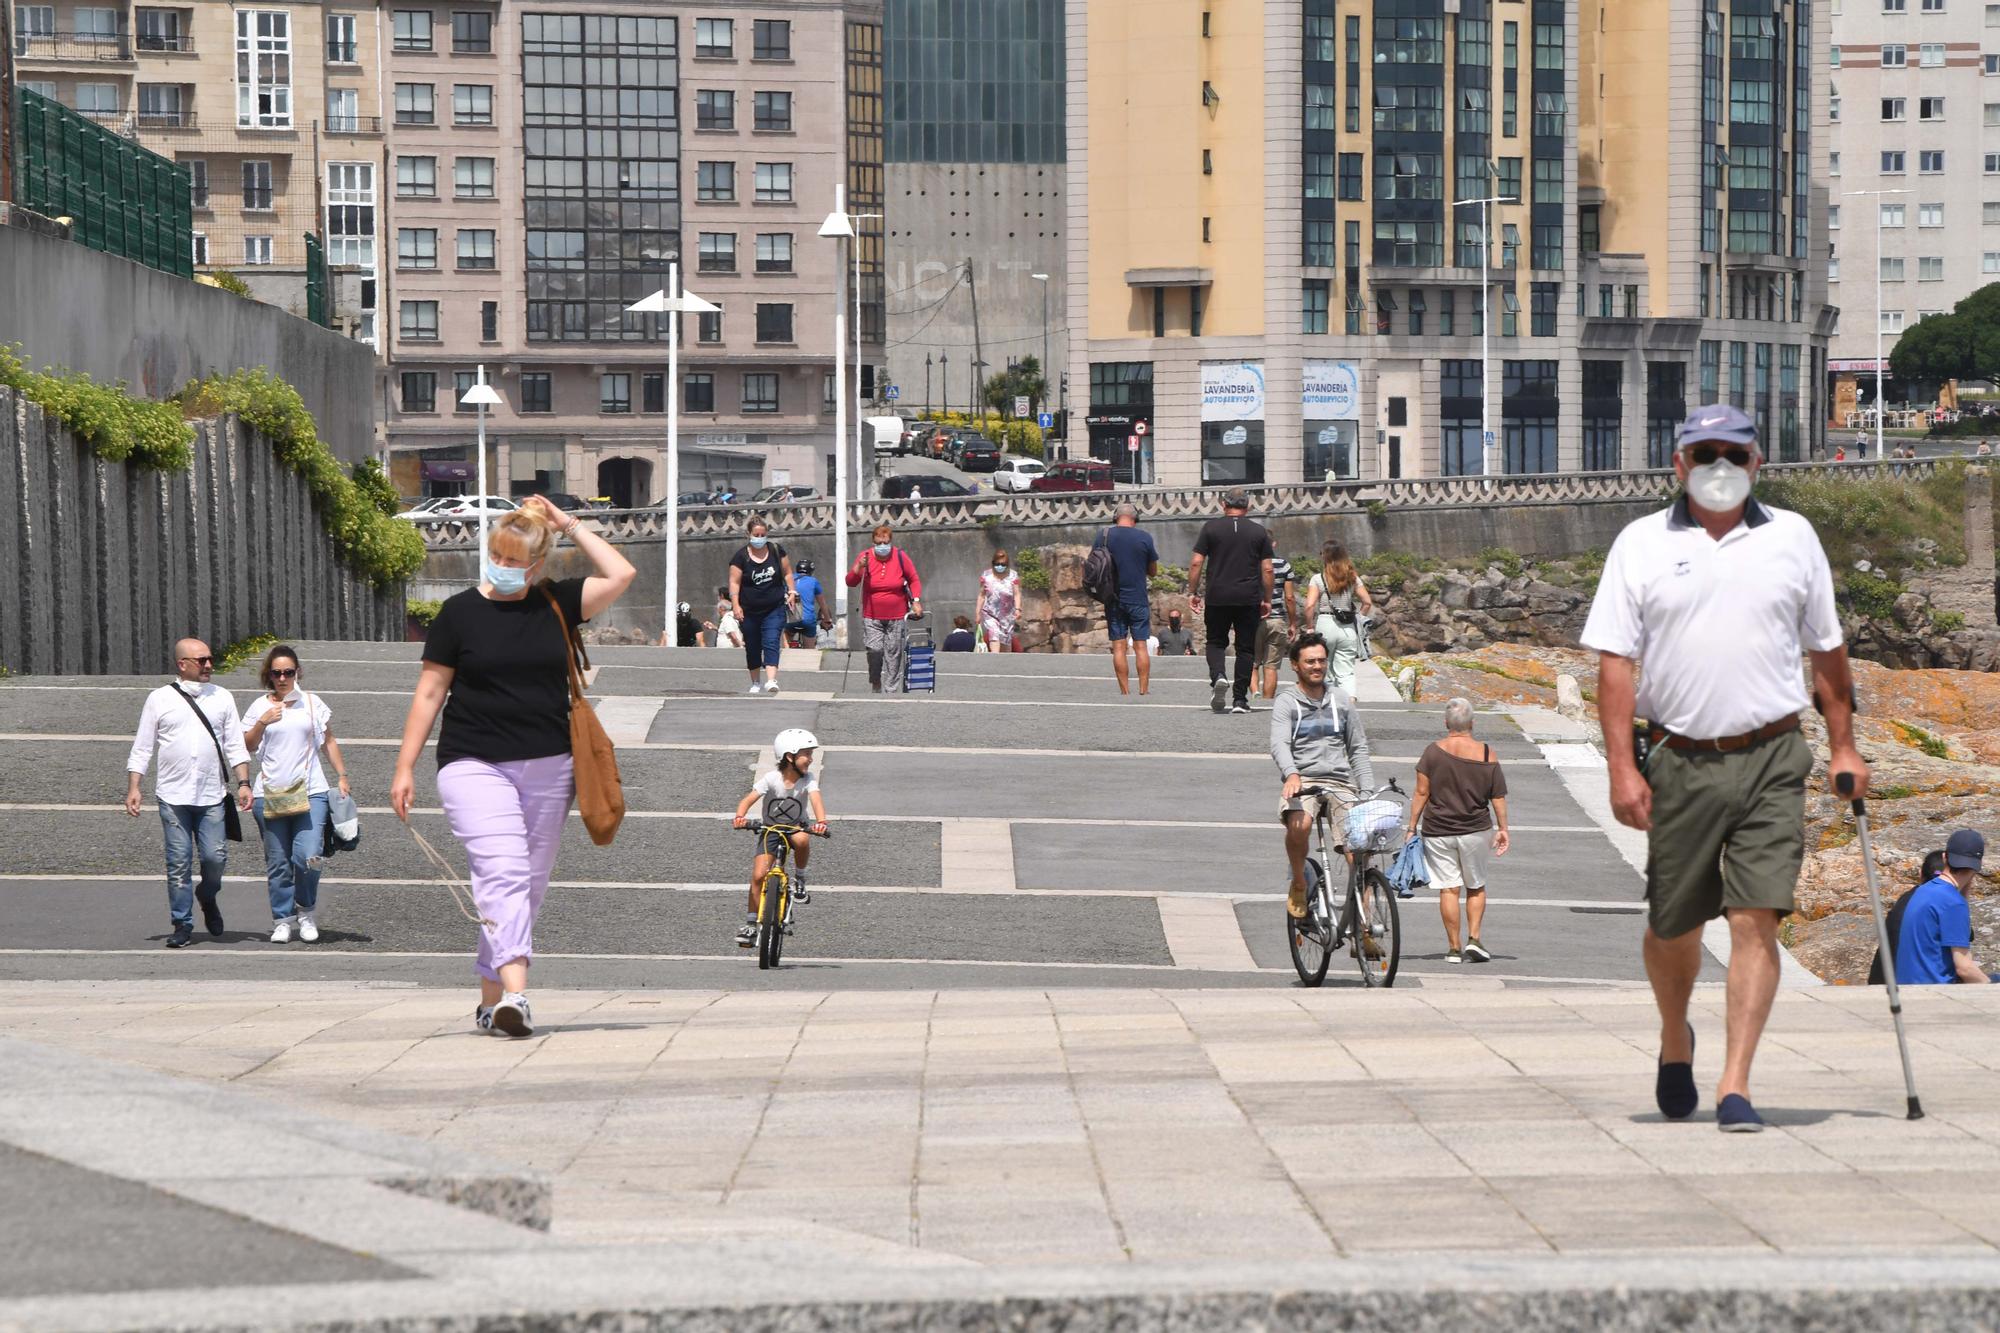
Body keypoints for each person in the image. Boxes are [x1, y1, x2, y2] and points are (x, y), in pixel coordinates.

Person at [1584, 403, 1867, 1134]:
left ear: (1756, 463)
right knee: (1672, 923)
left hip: (1773, 754)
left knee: (1755, 917)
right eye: (1703, 452)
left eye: (1733, 454)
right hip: (1678, 758)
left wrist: (1842, 744)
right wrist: (1623, 768)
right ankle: (1675, 1034)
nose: (1719, 466)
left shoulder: (1795, 538)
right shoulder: (1639, 543)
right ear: (1678, 464)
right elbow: (1616, 663)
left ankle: (1735, 1081)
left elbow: (1827, 651)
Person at [390, 496, 637, 1038]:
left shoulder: (558, 603)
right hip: (472, 763)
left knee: (523, 887)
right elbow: (431, 693)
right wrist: (404, 766)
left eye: (514, 559)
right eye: (496, 554)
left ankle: (489, 997)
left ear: (537, 564)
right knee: (502, 874)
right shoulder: (458, 613)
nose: (502, 565)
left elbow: (622, 571)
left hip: (551, 765)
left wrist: (567, 522)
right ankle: (519, 998)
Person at [125, 638, 253, 948]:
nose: (209, 665)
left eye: (210, 659)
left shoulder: (222, 698)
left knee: (214, 858)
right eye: (202, 660)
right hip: (173, 796)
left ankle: (207, 896)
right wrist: (134, 787)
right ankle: (182, 923)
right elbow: (143, 746)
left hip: (211, 795)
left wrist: (244, 783)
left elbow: (235, 743)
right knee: (178, 862)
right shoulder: (159, 699)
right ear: (183, 664)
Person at [241, 645, 350, 944]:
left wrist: (341, 776)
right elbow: (247, 746)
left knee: (309, 855)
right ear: (269, 675)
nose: (283, 678)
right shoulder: (258, 707)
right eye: (276, 673)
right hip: (269, 792)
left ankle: (306, 911)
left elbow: (328, 741)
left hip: (310, 790)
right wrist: (263, 721)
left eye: (288, 672)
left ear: (297, 672)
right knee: (278, 861)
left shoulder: (312, 704)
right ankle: (283, 919)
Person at [1270, 633, 1375, 920]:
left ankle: (1363, 923)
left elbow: (1358, 747)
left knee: (1361, 849)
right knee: (1300, 824)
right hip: (1302, 780)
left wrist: (1367, 789)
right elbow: (1279, 743)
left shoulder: (1340, 699)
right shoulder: (1287, 702)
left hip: (1340, 782)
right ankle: (1300, 882)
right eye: (1310, 661)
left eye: (1321, 660)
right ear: (1295, 665)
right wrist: (1291, 774)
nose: (1317, 666)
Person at [1405, 697, 1510, 965]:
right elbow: (1497, 796)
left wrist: (1411, 827)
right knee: (1475, 886)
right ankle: (1474, 939)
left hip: (1438, 830)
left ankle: (1453, 948)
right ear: (1472, 723)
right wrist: (1503, 828)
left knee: (1449, 889)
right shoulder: (1487, 753)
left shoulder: (1432, 752)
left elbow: (1421, 792)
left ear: (1445, 723)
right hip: (1475, 830)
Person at [731, 727, 829, 947]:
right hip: (771, 830)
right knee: (758, 875)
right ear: (790, 757)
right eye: (807, 754)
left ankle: (800, 879)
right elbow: (749, 799)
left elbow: (816, 800)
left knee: (803, 839)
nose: (811, 759)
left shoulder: (808, 780)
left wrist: (821, 822)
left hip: (796, 827)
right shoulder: (771, 779)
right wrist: (740, 817)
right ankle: (750, 924)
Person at [1188, 490, 1275, 715]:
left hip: (1218, 595)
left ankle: (1218, 676)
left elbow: (1197, 563)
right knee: (1245, 648)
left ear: (1223, 503)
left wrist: (1193, 592)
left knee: (1216, 642)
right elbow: (1267, 568)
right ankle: (1239, 700)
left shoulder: (1210, 528)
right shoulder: (1259, 532)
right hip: (1248, 597)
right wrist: (1267, 599)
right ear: (1247, 506)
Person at [1894, 831, 1992, 985]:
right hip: (1935, 994)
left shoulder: (1923, 890)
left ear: (1945, 857)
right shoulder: (1953, 903)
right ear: (1977, 866)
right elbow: (1964, 968)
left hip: (1906, 987)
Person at [847, 523, 924, 691]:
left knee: (893, 653)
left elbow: (914, 579)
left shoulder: (900, 557)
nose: (882, 547)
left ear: (891, 542)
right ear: (873, 542)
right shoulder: (866, 556)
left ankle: (891, 689)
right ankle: (875, 681)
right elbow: (851, 582)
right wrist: (859, 566)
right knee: (874, 651)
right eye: (878, 543)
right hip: (872, 615)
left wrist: (916, 600)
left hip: (897, 615)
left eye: (885, 543)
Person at [1093, 503, 1159, 695]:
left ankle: (1124, 692)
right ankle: (1143, 690)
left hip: (1112, 598)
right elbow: (1153, 572)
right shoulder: (1144, 538)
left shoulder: (1103, 536)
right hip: (1137, 598)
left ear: (1116, 517)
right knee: (1140, 646)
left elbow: (1093, 564)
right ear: (1135, 518)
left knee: (1119, 646)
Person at [729, 517, 798, 695]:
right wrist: (736, 605)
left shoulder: (776, 550)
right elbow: (734, 583)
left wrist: (791, 591)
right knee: (752, 646)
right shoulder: (740, 557)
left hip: (774, 607)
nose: (759, 538)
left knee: (771, 641)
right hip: (749, 610)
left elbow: (788, 572)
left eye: (763, 535)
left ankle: (771, 680)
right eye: (756, 535)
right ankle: (755, 682)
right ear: (748, 535)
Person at [1304, 542, 1376, 696]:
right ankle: (1349, 701)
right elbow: (1367, 602)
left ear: (1325, 556)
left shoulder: (1318, 579)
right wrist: (1359, 617)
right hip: (1347, 627)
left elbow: (1309, 606)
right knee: (1346, 671)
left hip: (1325, 624)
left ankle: (1329, 702)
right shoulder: (1352, 578)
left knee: (1324, 667)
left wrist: (1310, 626)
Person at [1870, 848, 1948, 986]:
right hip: (1912, 985)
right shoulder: (1942, 903)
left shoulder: (1907, 898)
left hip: (1880, 980)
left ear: (1920, 874)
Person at [1253, 556, 1298, 700]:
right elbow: (1289, 597)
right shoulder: (1283, 564)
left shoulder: (1248, 561)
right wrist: (1292, 623)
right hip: (1277, 620)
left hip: (1252, 620)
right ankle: (1267, 700)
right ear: (1273, 544)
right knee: (1271, 665)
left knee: (1252, 661)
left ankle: (1255, 693)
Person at [979, 548, 1022, 653]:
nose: (1000, 567)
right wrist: (977, 612)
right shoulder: (986, 576)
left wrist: (1018, 609)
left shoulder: (1012, 576)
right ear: (993, 563)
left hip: (1007, 614)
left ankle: (1005, 663)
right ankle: (995, 657)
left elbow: (1016, 594)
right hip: (990, 612)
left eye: (1003, 564)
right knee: (994, 634)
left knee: (1006, 641)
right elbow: (981, 595)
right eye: (997, 564)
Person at [787, 559, 829, 648]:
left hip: (790, 619)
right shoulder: (813, 581)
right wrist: (827, 619)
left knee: (785, 646)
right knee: (809, 652)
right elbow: (822, 604)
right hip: (807, 621)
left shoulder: (789, 579)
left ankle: (787, 649)